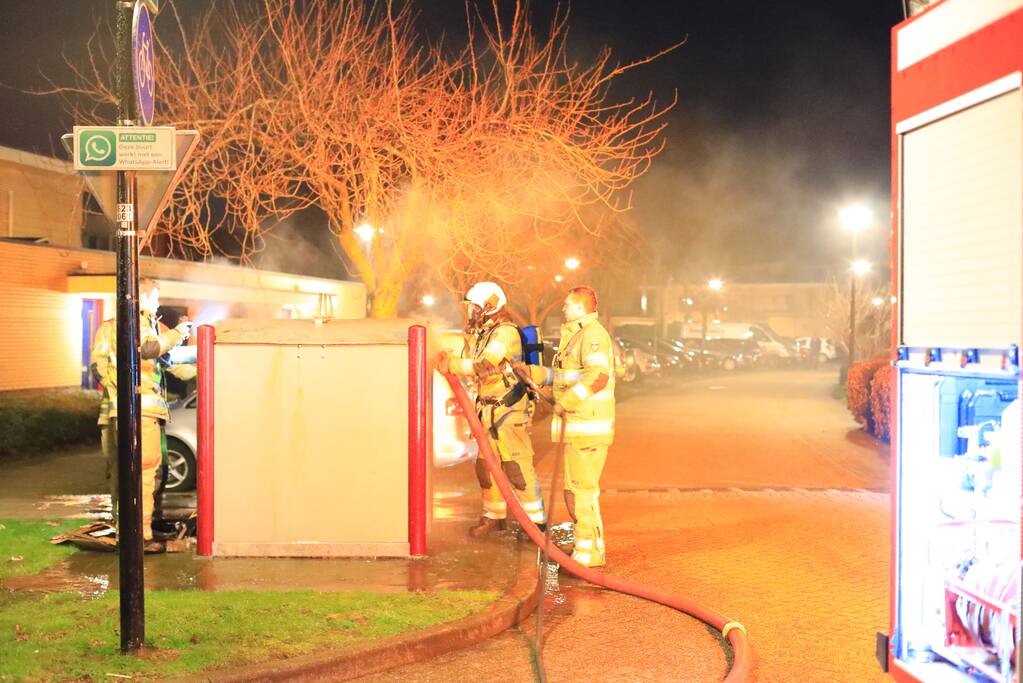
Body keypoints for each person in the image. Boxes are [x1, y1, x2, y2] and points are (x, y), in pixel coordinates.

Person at [439, 282, 546, 537]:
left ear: (490, 306)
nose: (471, 312)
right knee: (486, 467)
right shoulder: (482, 332)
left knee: (515, 468)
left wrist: (452, 364)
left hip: (508, 409)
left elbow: (484, 365)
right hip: (487, 409)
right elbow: (471, 358)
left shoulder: (505, 334)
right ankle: (494, 516)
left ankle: (535, 524)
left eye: (475, 307)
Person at [519, 285, 615, 568]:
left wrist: (567, 402)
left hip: (587, 427)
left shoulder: (593, 336)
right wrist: (534, 373)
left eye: (567, 305)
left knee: (581, 490)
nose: (563, 309)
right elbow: (562, 375)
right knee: (576, 489)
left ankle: (588, 556)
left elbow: (599, 376)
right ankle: (586, 549)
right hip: (578, 427)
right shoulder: (576, 337)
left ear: (580, 307)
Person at [94, 277, 192, 553]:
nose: (159, 304)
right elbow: (150, 349)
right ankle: (140, 534)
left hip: (126, 412)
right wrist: (178, 333)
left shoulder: (123, 327)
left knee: (128, 473)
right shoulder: (137, 323)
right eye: (156, 298)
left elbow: (169, 362)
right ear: (145, 298)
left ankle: (129, 530)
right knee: (144, 470)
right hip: (139, 411)